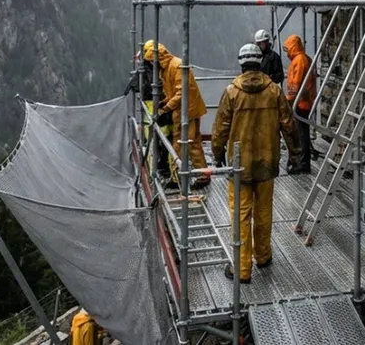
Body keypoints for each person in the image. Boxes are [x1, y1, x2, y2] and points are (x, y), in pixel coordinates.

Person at [211, 43, 301, 283]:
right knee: (263, 212)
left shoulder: (232, 92)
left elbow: (220, 129)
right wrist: (295, 153)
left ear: (241, 63)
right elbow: (289, 125)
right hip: (267, 163)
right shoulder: (274, 91)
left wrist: (217, 155)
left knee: (240, 216)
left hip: (239, 166)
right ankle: (263, 256)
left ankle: (242, 269)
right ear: (260, 62)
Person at [142, 40, 210, 190]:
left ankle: (177, 178)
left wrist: (165, 108)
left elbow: (181, 93)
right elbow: (172, 91)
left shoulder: (177, 66)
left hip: (187, 111)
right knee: (193, 143)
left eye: (151, 62)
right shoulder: (167, 68)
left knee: (180, 144)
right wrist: (165, 102)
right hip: (185, 110)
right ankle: (201, 175)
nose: (151, 65)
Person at [128, 55, 173, 182]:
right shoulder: (162, 69)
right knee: (165, 140)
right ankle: (163, 167)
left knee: (154, 141)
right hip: (163, 109)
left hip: (154, 110)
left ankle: (156, 170)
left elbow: (135, 87)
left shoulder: (147, 71)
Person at [283, 35, 315, 173]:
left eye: (287, 49)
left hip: (301, 103)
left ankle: (303, 164)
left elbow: (295, 83)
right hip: (301, 101)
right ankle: (302, 162)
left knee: (301, 134)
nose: (287, 52)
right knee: (301, 133)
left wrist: (289, 100)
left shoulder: (299, 60)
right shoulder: (301, 59)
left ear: (292, 47)